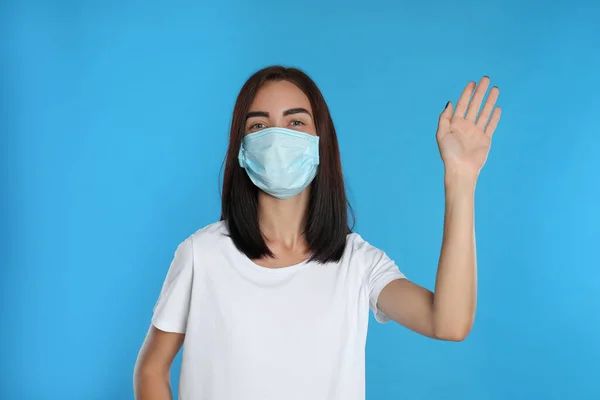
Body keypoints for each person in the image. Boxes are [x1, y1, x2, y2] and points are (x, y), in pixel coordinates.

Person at [133, 65, 501, 400]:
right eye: (259, 125)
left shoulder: (358, 263)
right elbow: (151, 368)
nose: (277, 137)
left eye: (295, 123)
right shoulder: (202, 254)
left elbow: (449, 323)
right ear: (242, 150)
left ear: (320, 142)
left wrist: (461, 178)